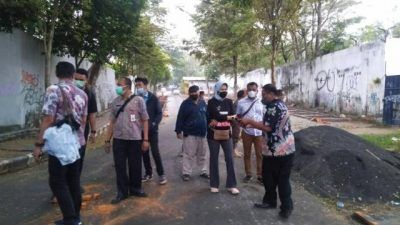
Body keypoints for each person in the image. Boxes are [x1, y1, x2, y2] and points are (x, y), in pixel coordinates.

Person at [33, 61, 88, 225]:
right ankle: (76, 217)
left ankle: (70, 219)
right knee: (73, 181)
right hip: (76, 144)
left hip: (59, 146)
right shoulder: (82, 93)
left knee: (57, 182)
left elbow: (48, 119)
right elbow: (84, 121)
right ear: (73, 75)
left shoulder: (53, 90)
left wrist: (38, 144)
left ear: (57, 74)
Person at [240, 84, 296, 219]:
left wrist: (251, 122)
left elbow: (269, 128)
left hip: (278, 151)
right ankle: (270, 201)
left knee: (281, 180)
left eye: (264, 94)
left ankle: (286, 208)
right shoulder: (280, 105)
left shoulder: (273, 107)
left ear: (271, 94)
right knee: (268, 177)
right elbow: (268, 123)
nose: (262, 96)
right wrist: (252, 123)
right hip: (282, 149)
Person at [105, 77, 150, 204]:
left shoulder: (139, 100)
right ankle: (122, 192)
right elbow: (111, 122)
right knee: (120, 166)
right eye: (117, 85)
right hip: (119, 139)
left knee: (135, 165)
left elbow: (145, 119)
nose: (117, 87)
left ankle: (136, 188)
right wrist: (107, 140)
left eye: (120, 85)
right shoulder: (115, 102)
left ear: (128, 87)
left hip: (135, 139)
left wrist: (145, 139)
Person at [207, 81, 239, 195]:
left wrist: (225, 117)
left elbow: (234, 116)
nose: (224, 91)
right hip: (213, 135)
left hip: (227, 134)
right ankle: (214, 185)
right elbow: (214, 116)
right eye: (222, 89)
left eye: (225, 89)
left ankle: (232, 185)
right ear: (216, 89)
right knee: (214, 159)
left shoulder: (229, 102)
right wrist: (227, 117)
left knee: (229, 158)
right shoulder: (211, 102)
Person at [134, 77, 167, 185]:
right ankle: (148, 173)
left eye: (140, 85)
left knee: (155, 152)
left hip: (152, 130)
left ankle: (161, 174)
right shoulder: (135, 99)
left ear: (145, 85)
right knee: (144, 152)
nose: (138, 87)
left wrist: (154, 123)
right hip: (139, 131)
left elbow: (159, 113)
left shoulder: (153, 98)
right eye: (137, 85)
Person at [175, 85, 209, 181]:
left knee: (202, 153)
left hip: (202, 133)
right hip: (189, 133)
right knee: (188, 154)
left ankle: (203, 171)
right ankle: (186, 173)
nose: (194, 94)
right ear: (189, 93)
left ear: (199, 92)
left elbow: (207, 115)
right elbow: (180, 117)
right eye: (192, 92)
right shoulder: (185, 104)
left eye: (196, 92)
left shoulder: (202, 103)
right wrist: (178, 130)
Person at [74, 68, 98, 190]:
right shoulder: (66, 91)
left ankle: (75, 184)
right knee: (65, 158)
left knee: (79, 157)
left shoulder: (89, 94)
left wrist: (93, 131)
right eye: (76, 79)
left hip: (82, 132)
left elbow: (92, 115)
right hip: (65, 132)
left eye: (81, 80)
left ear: (86, 80)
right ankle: (61, 188)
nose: (77, 81)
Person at [236, 82, 264, 183]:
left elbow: (264, 117)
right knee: (247, 154)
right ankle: (248, 174)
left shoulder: (262, 102)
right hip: (247, 132)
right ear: (246, 90)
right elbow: (238, 116)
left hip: (259, 132)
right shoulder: (241, 102)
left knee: (259, 154)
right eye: (250, 89)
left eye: (254, 89)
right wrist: (241, 124)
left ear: (257, 90)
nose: (252, 91)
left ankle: (260, 175)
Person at [232, 90, 246, 158]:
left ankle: (235, 150)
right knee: (235, 137)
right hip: (236, 123)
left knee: (236, 137)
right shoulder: (238, 103)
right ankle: (233, 151)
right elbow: (236, 115)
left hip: (238, 123)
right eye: (245, 94)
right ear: (242, 95)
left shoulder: (239, 102)